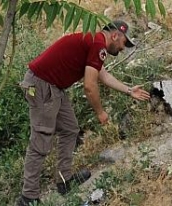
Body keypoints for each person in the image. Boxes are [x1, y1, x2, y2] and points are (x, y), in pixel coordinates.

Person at [16, 20, 151, 206]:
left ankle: (64, 180)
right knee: (41, 138)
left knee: (70, 129)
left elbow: (103, 75)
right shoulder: (98, 44)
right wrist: (100, 112)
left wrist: (129, 90)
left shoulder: (94, 42)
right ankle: (28, 198)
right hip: (42, 85)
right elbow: (89, 86)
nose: (123, 48)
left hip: (53, 87)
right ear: (114, 35)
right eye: (124, 43)